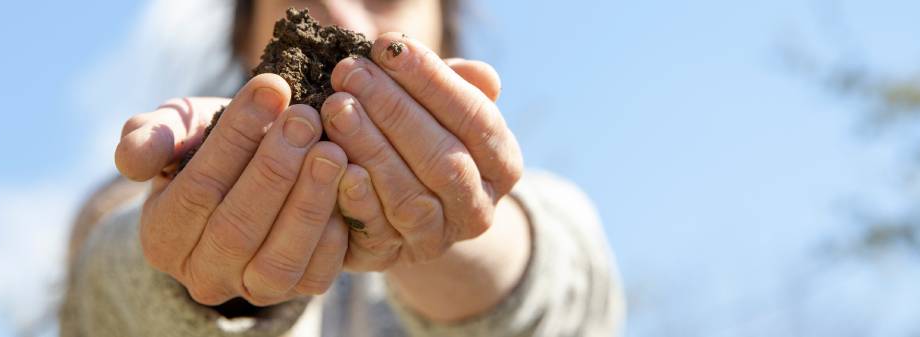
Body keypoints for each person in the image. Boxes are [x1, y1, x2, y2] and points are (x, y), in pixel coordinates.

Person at [60, 0, 625, 336]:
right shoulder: (135, 188)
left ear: (443, 36)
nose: (339, 14)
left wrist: (456, 217)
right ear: (247, 36)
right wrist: (204, 279)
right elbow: (112, 275)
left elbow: (566, 294)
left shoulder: (549, 210)